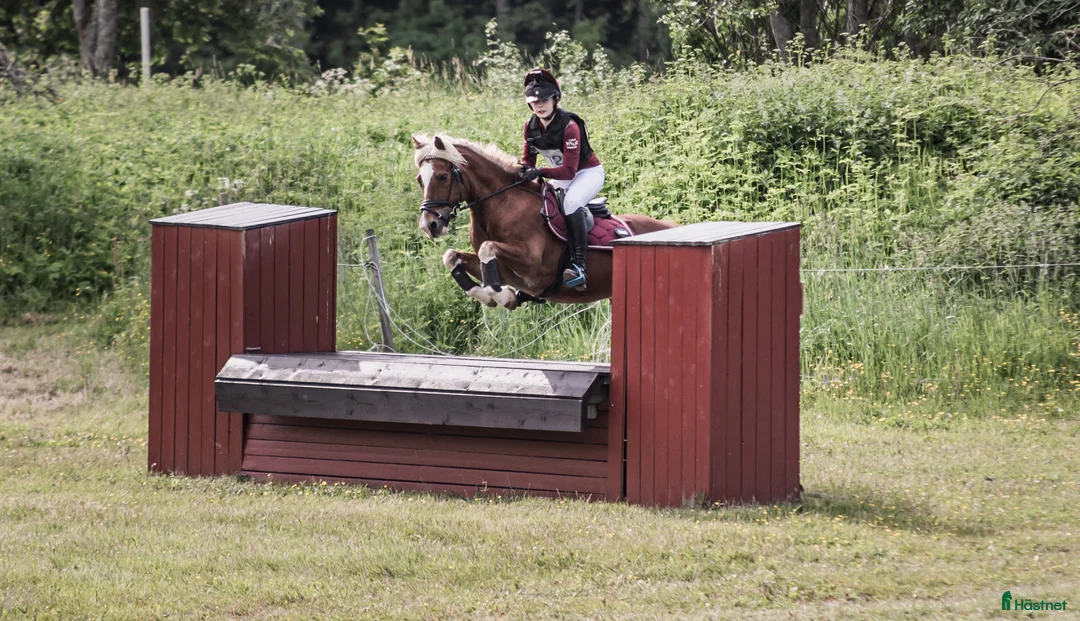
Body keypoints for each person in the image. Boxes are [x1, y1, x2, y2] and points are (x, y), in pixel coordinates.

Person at [519, 68, 603, 291]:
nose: (540, 105)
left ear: (555, 99)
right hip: (560, 174)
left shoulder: (569, 126)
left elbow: (569, 171)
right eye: (534, 101)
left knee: (571, 203)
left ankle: (579, 266)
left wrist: (540, 173)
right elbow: (528, 160)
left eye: (544, 99)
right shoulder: (531, 126)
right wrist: (522, 172)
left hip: (586, 173)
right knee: (539, 203)